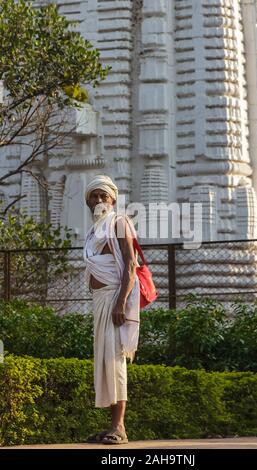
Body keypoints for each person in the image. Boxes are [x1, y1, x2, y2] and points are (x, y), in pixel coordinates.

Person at [83, 175, 140, 445]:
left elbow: (130, 265)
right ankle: (111, 427)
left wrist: (120, 302)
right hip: (100, 301)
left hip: (115, 300)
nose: (98, 200)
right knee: (104, 362)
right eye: (94, 196)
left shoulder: (119, 223)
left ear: (113, 199)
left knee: (115, 361)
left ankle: (120, 427)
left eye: (103, 196)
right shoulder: (95, 231)